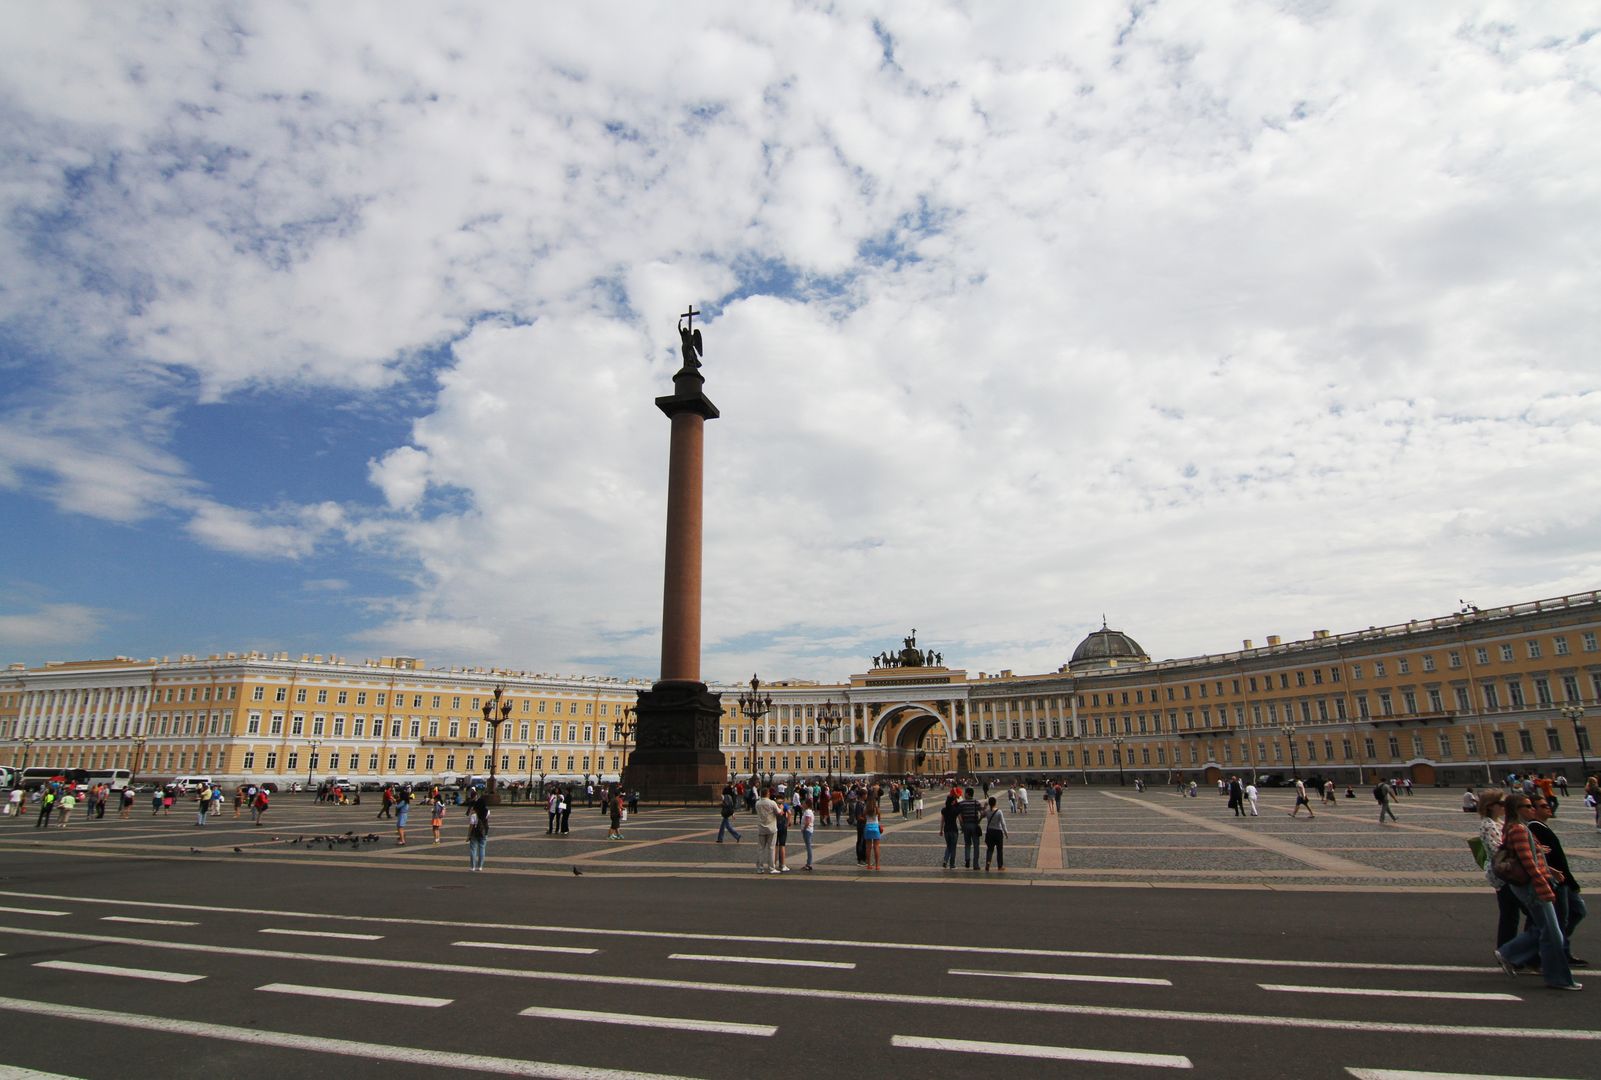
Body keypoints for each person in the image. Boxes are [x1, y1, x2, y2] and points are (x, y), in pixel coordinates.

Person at [1494, 793, 1580, 990]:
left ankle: (1512, 954)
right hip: (1533, 887)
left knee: (1547, 930)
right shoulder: (1518, 830)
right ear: (1517, 809)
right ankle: (1556, 977)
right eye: (1527, 806)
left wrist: (1552, 870)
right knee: (1552, 933)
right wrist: (1543, 884)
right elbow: (1529, 862)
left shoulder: (1518, 828)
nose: (1532, 808)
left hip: (1533, 884)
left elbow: (1533, 856)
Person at [1528, 793, 1586, 968]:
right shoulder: (1534, 828)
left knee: (1575, 913)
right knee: (1557, 920)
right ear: (1534, 810)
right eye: (1544, 806)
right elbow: (1537, 858)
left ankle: (1557, 948)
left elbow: (1557, 858)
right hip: (1555, 882)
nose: (1549, 808)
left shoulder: (1541, 827)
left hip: (1564, 880)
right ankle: (1556, 952)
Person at [1477, 790, 1523, 951]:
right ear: (1490, 806)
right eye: (1501, 803)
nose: (1505, 807)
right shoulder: (1488, 824)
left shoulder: (1499, 822)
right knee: (1515, 914)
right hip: (1504, 873)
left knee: (1510, 915)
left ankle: (1506, 951)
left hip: (1506, 872)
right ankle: (1510, 951)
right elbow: (1497, 849)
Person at [754, 787, 779, 873]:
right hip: (771, 828)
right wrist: (782, 808)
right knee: (771, 848)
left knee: (761, 849)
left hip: (761, 828)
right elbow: (778, 812)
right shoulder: (772, 803)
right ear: (768, 793)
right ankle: (772, 868)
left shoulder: (757, 803)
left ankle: (760, 868)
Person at [958, 788, 983, 870]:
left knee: (967, 844)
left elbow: (960, 816)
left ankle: (967, 859)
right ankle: (976, 864)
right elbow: (982, 813)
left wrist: (962, 825)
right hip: (975, 825)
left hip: (966, 825)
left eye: (965, 793)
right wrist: (979, 821)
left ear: (968, 794)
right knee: (976, 845)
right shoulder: (976, 802)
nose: (964, 794)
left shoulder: (962, 803)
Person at [465, 788, 489, 871]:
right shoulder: (487, 812)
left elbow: (471, 826)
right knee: (482, 848)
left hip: (475, 832)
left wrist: (468, 835)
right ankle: (480, 866)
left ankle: (473, 867)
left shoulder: (474, 815)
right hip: (484, 831)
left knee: (473, 849)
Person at [984, 796, 1008, 871]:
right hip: (998, 832)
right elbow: (1003, 823)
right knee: (999, 849)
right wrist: (1006, 833)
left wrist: (984, 807)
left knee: (990, 849)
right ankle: (1000, 866)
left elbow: (981, 815)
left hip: (990, 831)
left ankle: (988, 863)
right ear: (995, 803)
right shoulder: (999, 811)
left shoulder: (987, 811)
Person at [938, 792, 960, 868]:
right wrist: (963, 827)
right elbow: (960, 819)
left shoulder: (944, 810)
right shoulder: (955, 810)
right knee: (953, 847)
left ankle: (945, 860)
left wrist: (941, 830)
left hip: (946, 830)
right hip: (954, 830)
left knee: (948, 846)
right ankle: (952, 864)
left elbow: (942, 821)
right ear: (952, 802)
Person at [862, 795, 882, 870]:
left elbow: (864, 817)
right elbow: (879, 818)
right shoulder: (876, 808)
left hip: (868, 827)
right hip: (875, 827)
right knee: (876, 847)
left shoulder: (866, 808)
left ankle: (869, 865)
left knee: (868, 847)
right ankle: (877, 865)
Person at [774, 799, 791, 872]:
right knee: (782, 845)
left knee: (775, 846)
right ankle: (782, 864)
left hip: (775, 826)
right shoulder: (784, 805)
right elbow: (789, 813)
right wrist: (788, 822)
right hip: (783, 826)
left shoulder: (774, 805)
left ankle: (773, 864)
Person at [800, 798, 815, 870]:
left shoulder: (808, 812)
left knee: (808, 847)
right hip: (808, 830)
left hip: (807, 831)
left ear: (807, 804)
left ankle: (809, 863)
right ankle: (808, 863)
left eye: (804, 803)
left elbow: (808, 822)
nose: (802, 805)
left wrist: (803, 829)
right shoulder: (807, 811)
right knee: (808, 846)